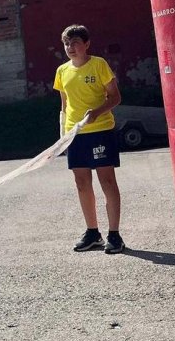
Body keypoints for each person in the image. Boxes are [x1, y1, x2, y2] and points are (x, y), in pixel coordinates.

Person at [53, 24, 124, 254]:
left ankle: (115, 235)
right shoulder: (62, 71)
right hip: (75, 135)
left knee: (107, 182)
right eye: (66, 44)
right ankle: (93, 233)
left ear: (86, 44)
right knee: (82, 184)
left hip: (101, 131)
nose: (70, 48)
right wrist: (63, 134)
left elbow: (115, 97)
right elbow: (64, 105)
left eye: (74, 43)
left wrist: (97, 112)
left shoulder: (99, 64)